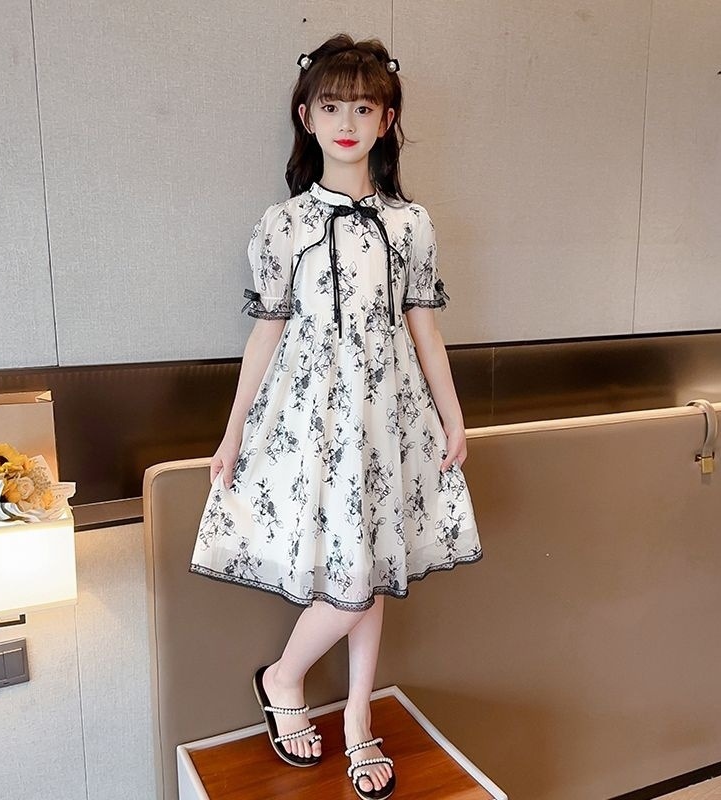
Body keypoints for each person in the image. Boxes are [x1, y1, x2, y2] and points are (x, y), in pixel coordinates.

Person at [190, 33, 482, 800]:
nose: (346, 122)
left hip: (389, 416)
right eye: (331, 107)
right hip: (312, 420)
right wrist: (233, 430)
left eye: (363, 107)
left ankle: (356, 717)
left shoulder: (411, 224)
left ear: (386, 120)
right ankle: (284, 678)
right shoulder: (284, 224)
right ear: (306, 117)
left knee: (372, 564)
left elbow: (425, 331)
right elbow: (266, 334)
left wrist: (454, 417)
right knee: (355, 573)